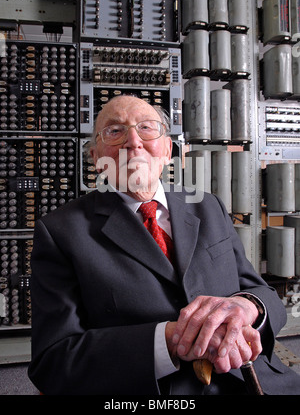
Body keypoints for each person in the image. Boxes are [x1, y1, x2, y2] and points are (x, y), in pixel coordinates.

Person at [28, 95, 300, 395]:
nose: (133, 141)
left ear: (167, 150)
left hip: (254, 380)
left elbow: (262, 293)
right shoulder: (60, 232)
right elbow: (53, 361)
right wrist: (171, 340)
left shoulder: (208, 206)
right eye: (114, 131)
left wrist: (246, 306)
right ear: (96, 157)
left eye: (146, 128)